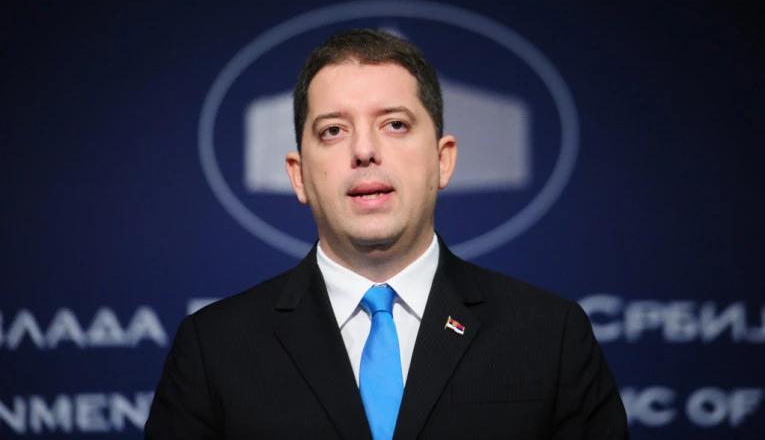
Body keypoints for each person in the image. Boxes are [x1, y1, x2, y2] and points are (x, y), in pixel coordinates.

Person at [145, 29, 629, 439]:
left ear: (443, 159)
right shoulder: (214, 349)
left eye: (395, 124)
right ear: (299, 175)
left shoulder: (550, 335)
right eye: (333, 130)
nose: (364, 150)